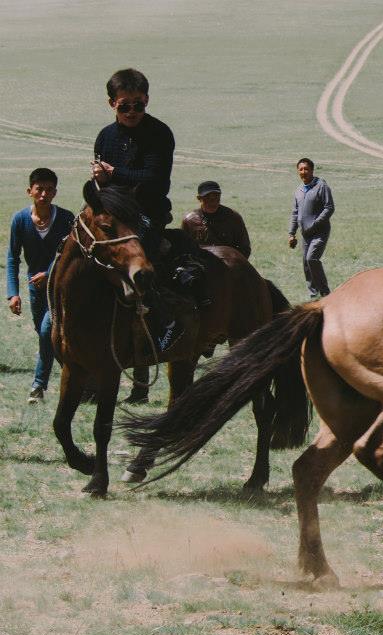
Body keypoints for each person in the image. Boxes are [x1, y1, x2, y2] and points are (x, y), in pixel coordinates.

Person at [92, 68, 183, 353]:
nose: (132, 112)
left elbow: (155, 180)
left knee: (142, 260)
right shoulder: (105, 136)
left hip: (148, 212)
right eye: (124, 106)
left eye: (138, 105)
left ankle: (166, 322)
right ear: (112, 104)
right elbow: (104, 185)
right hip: (114, 213)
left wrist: (113, 173)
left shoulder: (159, 133)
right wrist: (99, 179)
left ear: (147, 100)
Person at [6, 168, 75, 403]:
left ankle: (38, 386)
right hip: (36, 291)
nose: (44, 194)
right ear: (30, 191)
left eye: (49, 189)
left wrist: (48, 273)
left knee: (47, 332)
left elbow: (70, 256)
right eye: (39, 189)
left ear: (55, 192)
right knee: (47, 337)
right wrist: (13, 294)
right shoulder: (20, 220)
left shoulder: (66, 219)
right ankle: (80, 381)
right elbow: (12, 258)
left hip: (60, 288)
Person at [288, 158, 334, 298]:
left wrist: (315, 223)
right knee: (306, 264)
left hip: (320, 232)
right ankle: (313, 295)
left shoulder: (321, 186)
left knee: (312, 259)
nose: (304, 172)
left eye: (306, 169)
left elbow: (329, 207)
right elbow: (295, 213)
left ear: (312, 170)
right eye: (301, 169)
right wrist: (292, 233)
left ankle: (325, 293)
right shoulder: (299, 191)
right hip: (305, 234)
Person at [182, 180, 251, 258]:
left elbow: (245, 248)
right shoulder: (189, 220)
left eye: (216, 196)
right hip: (200, 263)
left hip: (227, 262)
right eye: (207, 197)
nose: (213, 201)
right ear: (199, 198)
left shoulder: (233, 217)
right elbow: (184, 248)